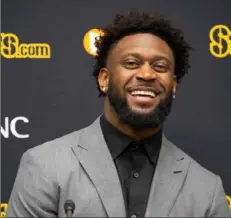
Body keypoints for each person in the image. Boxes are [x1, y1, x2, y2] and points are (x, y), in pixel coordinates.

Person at [6, 11, 231, 217]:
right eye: (132, 63)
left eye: (160, 66)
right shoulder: (45, 166)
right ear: (104, 79)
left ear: (173, 86)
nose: (146, 74)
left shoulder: (207, 190)